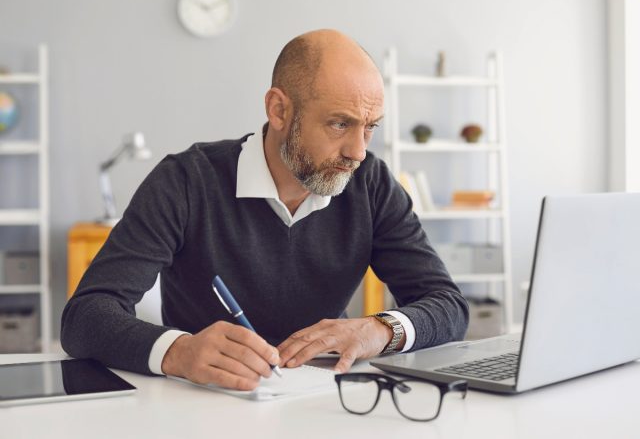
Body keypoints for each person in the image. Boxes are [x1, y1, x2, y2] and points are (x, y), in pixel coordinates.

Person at [61, 29, 468, 391]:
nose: (358, 152)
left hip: (326, 405)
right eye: (340, 125)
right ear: (278, 110)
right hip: (203, 409)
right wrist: (179, 352)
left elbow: (447, 304)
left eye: (370, 127)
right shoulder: (186, 180)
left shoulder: (370, 182)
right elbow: (85, 318)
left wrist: (381, 328)